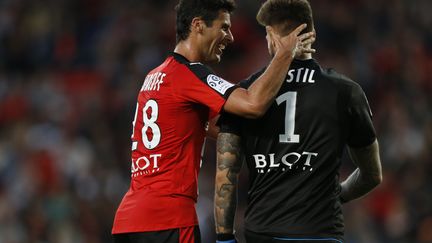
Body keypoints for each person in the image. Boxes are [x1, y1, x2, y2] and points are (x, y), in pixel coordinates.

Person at [112, 0, 316, 242]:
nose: (229, 37)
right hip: (168, 220)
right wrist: (284, 54)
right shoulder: (188, 73)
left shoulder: (154, 77)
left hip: (128, 221)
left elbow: (229, 131)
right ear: (198, 25)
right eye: (223, 27)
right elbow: (253, 104)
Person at [214, 0, 383, 242]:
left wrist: (224, 238)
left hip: (263, 232)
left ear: (271, 37)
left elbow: (225, 174)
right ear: (311, 35)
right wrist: (339, 194)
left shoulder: (242, 95)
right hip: (321, 233)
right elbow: (372, 174)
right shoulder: (346, 92)